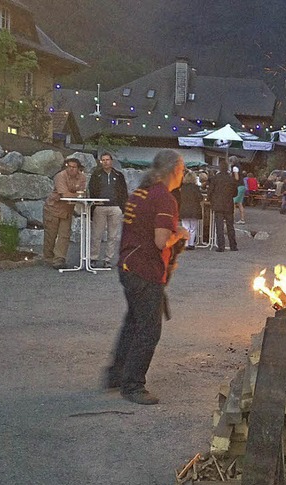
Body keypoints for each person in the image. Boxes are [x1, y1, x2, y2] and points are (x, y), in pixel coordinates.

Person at [104, 149, 188, 405]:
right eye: (182, 169)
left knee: (133, 323)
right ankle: (133, 385)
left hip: (128, 266)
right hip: (145, 271)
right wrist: (181, 234)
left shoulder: (140, 193)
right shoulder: (164, 198)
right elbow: (161, 241)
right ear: (174, 170)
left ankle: (116, 375)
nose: (183, 174)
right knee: (148, 330)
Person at [42, 158, 87, 269]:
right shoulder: (60, 176)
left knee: (64, 235)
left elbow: (83, 193)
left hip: (67, 209)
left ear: (78, 168)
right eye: (69, 166)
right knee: (50, 235)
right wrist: (77, 195)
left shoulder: (82, 177)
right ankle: (48, 257)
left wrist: (78, 195)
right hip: (53, 208)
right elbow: (65, 194)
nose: (71, 169)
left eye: (74, 167)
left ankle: (59, 260)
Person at [88, 152, 128, 268]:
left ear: (111, 161)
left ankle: (108, 259)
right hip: (100, 207)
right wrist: (94, 205)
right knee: (97, 234)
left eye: (107, 159)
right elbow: (92, 190)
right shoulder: (96, 175)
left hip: (115, 207)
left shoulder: (118, 175)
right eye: (103, 160)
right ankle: (93, 258)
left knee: (113, 235)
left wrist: (122, 208)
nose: (105, 162)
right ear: (101, 162)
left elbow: (124, 192)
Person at [208, 159, 238, 252]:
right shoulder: (231, 179)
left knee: (219, 226)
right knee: (230, 226)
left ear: (220, 168)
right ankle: (233, 246)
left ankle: (221, 246)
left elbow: (210, 191)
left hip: (217, 205)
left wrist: (211, 199)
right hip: (228, 205)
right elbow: (235, 193)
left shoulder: (215, 178)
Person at [179, 170, 203, 250]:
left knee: (185, 227)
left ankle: (185, 244)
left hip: (184, 209)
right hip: (194, 209)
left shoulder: (182, 188)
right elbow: (200, 198)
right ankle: (191, 244)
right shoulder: (196, 188)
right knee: (193, 228)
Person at [230, 157, 246, 224]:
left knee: (233, 203)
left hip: (238, 187)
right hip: (242, 186)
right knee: (240, 203)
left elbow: (236, 178)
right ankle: (242, 219)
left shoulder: (234, 168)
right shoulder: (239, 166)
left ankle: (232, 219)